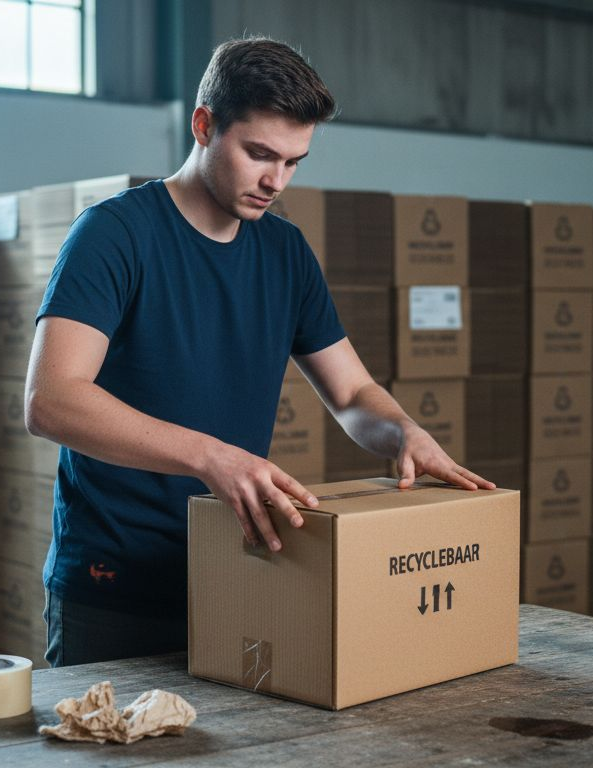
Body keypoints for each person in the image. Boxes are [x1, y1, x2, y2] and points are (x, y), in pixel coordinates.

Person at [25, 36, 494, 668]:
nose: (276, 181)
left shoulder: (286, 253)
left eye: (295, 161)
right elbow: (51, 400)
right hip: (116, 584)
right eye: (259, 154)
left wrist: (402, 431)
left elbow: (352, 394)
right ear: (204, 125)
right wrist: (211, 457)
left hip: (237, 569)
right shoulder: (114, 235)